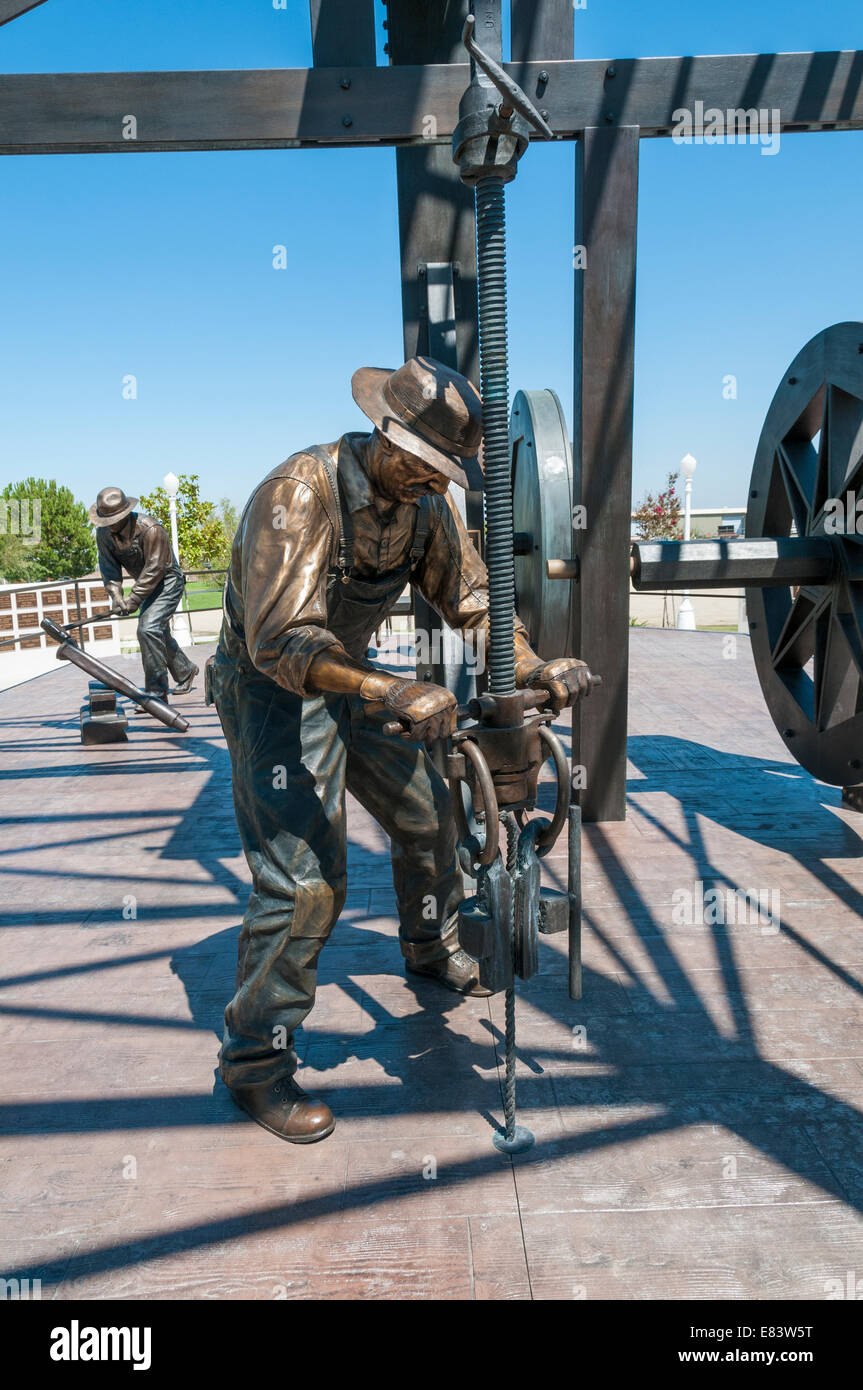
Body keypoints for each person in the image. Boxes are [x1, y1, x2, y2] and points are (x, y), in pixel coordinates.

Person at [211, 356, 590, 1143]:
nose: (432, 483)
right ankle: (254, 1064)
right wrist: (389, 691)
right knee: (305, 884)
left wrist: (532, 665)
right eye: (422, 466)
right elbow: (281, 642)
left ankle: (431, 943)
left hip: (353, 681)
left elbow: (474, 605)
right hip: (272, 687)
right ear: (383, 436)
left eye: (444, 472)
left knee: (428, 816)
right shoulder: (298, 494)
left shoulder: (425, 506)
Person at [90, 486, 198, 702]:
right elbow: (109, 568)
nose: (109, 526)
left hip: (167, 581)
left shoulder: (151, 529)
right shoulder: (104, 535)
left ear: (125, 514)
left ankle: (156, 694)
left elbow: (155, 568)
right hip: (146, 584)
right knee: (155, 632)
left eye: (113, 520)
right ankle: (185, 670)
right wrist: (117, 597)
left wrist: (134, 599)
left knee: (148, 629)